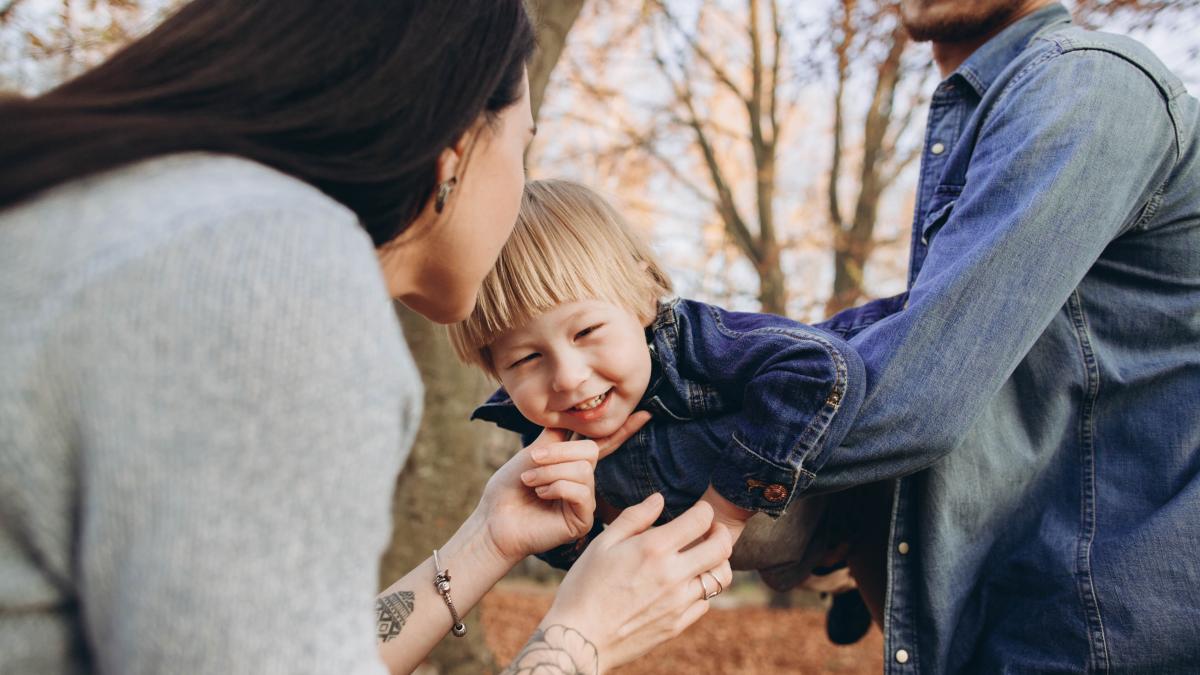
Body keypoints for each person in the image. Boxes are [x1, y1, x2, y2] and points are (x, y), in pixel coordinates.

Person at [0, 2, 733, 674]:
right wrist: (580, 638)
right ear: (456, 152)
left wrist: (489, 537)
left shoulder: (155, 226)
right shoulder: (272, 276)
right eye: (523, 146)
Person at [776, 1, 1198, 671]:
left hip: (1109, 640)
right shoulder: (988, 115)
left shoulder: (1085, 87)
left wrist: (668, 393)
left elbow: (915, 395)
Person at [448, 178, 903, 643]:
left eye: (585, 332)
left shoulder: (700, 341)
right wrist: (577, 530)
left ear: (644, 296)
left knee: (878, 547)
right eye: (525, 359)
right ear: (495, 371)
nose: (566, 377)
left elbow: (822, 367)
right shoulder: (543, 433)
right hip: (780, 557)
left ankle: (843, 577)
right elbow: (565, 550)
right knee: (814, 564)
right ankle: (830, 578)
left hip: (833, 509)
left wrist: (724, 512)